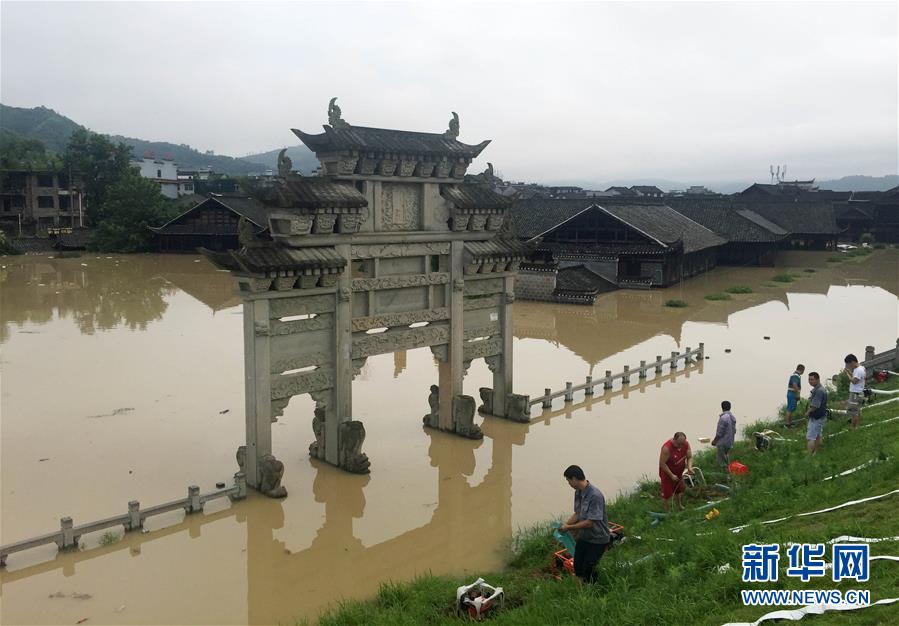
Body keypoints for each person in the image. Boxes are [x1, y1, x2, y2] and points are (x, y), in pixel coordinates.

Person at [560, 465, 611, 583]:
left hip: (597, 539)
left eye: (568, 481)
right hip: (584, 537)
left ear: (574, 479)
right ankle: (580, 592)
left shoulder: (595, 495)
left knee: (589, 570)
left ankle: (592, 593)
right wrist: (565, 526)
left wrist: (569, 527)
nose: (568, 484)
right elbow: (578, 513)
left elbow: (590, 523)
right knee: (578, 567)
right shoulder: (578, 492)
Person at [659, 432, 693, 511]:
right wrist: (671, 475)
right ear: (674, 440)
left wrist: (689, 467)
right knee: (666, 494)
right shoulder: (667, 448)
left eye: (682, 444)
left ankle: (679, 505)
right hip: (667, 474)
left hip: (679, 472)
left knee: (679, 490)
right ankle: (666, 510)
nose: (680, 446)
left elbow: (689, 457)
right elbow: (662, 463)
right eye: (679, 444)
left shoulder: (686, 444)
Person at [805, 371, 828, 454]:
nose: (810, 381)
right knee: (818, 435)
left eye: (812, 379)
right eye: (809, 379)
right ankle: (816, 452)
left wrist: (807, 412)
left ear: (818, 379)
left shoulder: (819, 391)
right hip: (821, 416)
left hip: (816, 417)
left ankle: (809, 456)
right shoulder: (820, 389)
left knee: (810, 437)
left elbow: (815, 406)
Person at [711, 401, 737, 471]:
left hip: (722, 442)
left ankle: (726, 475)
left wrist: (714, 441)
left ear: (722, 407)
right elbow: (734, 431)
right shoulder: (733, 417)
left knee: (722, 461)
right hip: (730, 441)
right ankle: (730, 471)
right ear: (730, 407)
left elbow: (719, 433)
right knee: (727, 457)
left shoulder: (723, 418)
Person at [844, 354, 866, 429]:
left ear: (852, 362)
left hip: (855, 394)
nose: (848, 366)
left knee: (853, 412)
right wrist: (849, 372)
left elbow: (854, 381)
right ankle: (857, 427)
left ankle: (853, 428)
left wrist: (847, 374)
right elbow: (854, 376)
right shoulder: (860, 368)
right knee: (857, 411)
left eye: (848, 364)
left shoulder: (859, 370)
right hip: (858, 393)